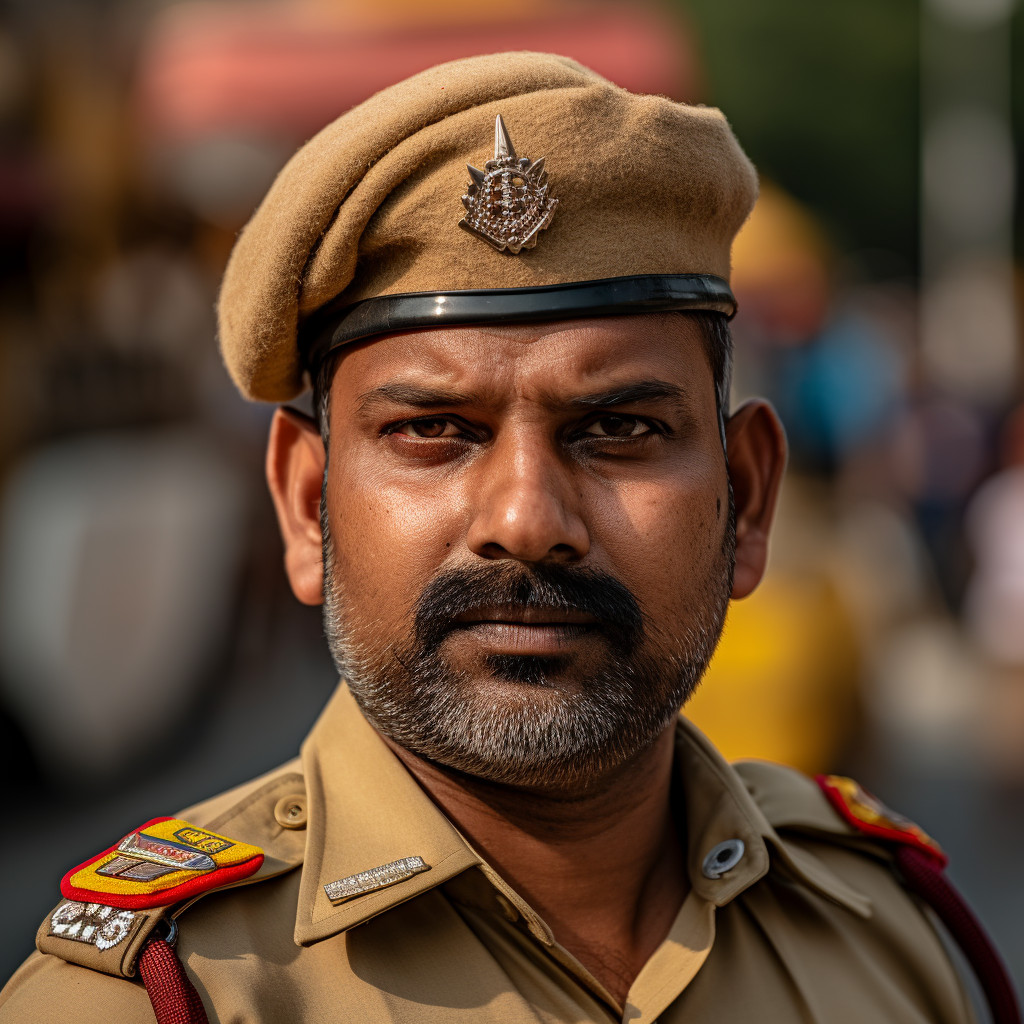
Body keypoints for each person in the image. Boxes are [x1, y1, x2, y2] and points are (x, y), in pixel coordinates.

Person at [0, 51, 1016, 1024]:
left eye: (619, 430)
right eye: (432, 432)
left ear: (745, 500)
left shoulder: (892, 945)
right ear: (307, 503)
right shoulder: (155, 999)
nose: (527, 522)